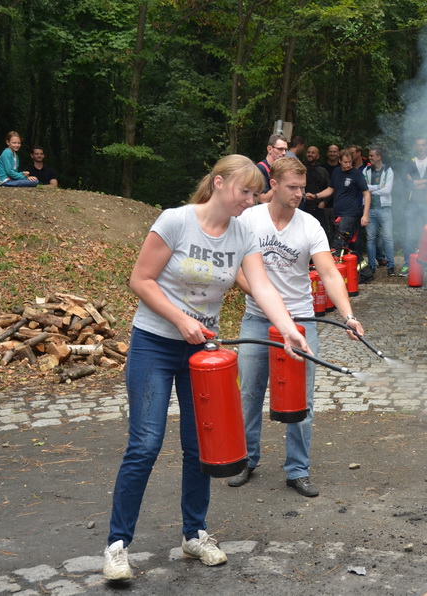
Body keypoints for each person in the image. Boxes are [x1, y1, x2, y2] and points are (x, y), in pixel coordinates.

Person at [102, 154, 310, 582]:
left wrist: (287, 328)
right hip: (155, 344)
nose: (250, 200)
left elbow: (263, 288)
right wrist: (180, 320)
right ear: (218, 183)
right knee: (145, 444)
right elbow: (140, 280)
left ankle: (194, 534)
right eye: (244, 191)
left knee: (200, 447)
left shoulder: (242, 235)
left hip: (203, 354)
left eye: (255, 193)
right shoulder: (176, 221)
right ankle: (117, 545)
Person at [227, 157, 365, 498]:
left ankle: (297, 470)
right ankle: (246, 459)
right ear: (273, 184)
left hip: (301, 323)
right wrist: (266, 301)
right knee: (249, 394)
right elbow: (236, 269)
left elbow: (330, 274)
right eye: (293, 187)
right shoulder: (249, 219)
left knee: (300, 401)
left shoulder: (309, 226)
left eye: (303, 188)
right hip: (258, 320)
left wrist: (347, 315)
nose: (300, 194)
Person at [400, 138, 427, 275]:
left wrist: (416, 182)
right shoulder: (409, 162)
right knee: (410, 235)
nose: (421, 147)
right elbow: (406, 183)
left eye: (423, 145)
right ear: (415, 147)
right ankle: (407, 264)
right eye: (418, 145)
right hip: (412, 203)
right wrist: (424, 182)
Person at [321, 149, 370, 258]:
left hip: (351, 213)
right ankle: (360, 272)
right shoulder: (337, 172)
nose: (348, 164)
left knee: (338, 243)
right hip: (338, 212)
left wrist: (365, 215)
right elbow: (330, 189)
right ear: (340, 161)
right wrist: (315, 196)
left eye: (350, 162)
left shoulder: (357, 174)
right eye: (345, 162)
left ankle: (334, 270)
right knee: (352, 244)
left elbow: (366, 194)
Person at [363, 147, 395, 278]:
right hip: (369, 208)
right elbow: (363, 188)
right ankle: (371, 266)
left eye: (371, 156)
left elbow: (387, 190)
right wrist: (377, 187)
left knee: (387, 237)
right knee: (370, 238)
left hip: (385, 208)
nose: (369, 157)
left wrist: (371, 190)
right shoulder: (366, 170)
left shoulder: (388, 170)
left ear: (379, 157)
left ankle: (391, 266)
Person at [303, 145, 331, 239]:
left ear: (318, 156)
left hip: (318, 207)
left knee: (322, 232)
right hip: (303, 206)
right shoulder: (300, 168)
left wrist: (324, 201)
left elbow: (329, 188)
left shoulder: (323, 171)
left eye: (313, 153)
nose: (310, 154)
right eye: (308, 152)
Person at [256, 134, 289, 204]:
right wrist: (280, 181)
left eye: (285, 150)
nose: (284, 153)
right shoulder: (260, 168)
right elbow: (263, 199)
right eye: (280, 149)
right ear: (269, 149)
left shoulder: (283, 169)